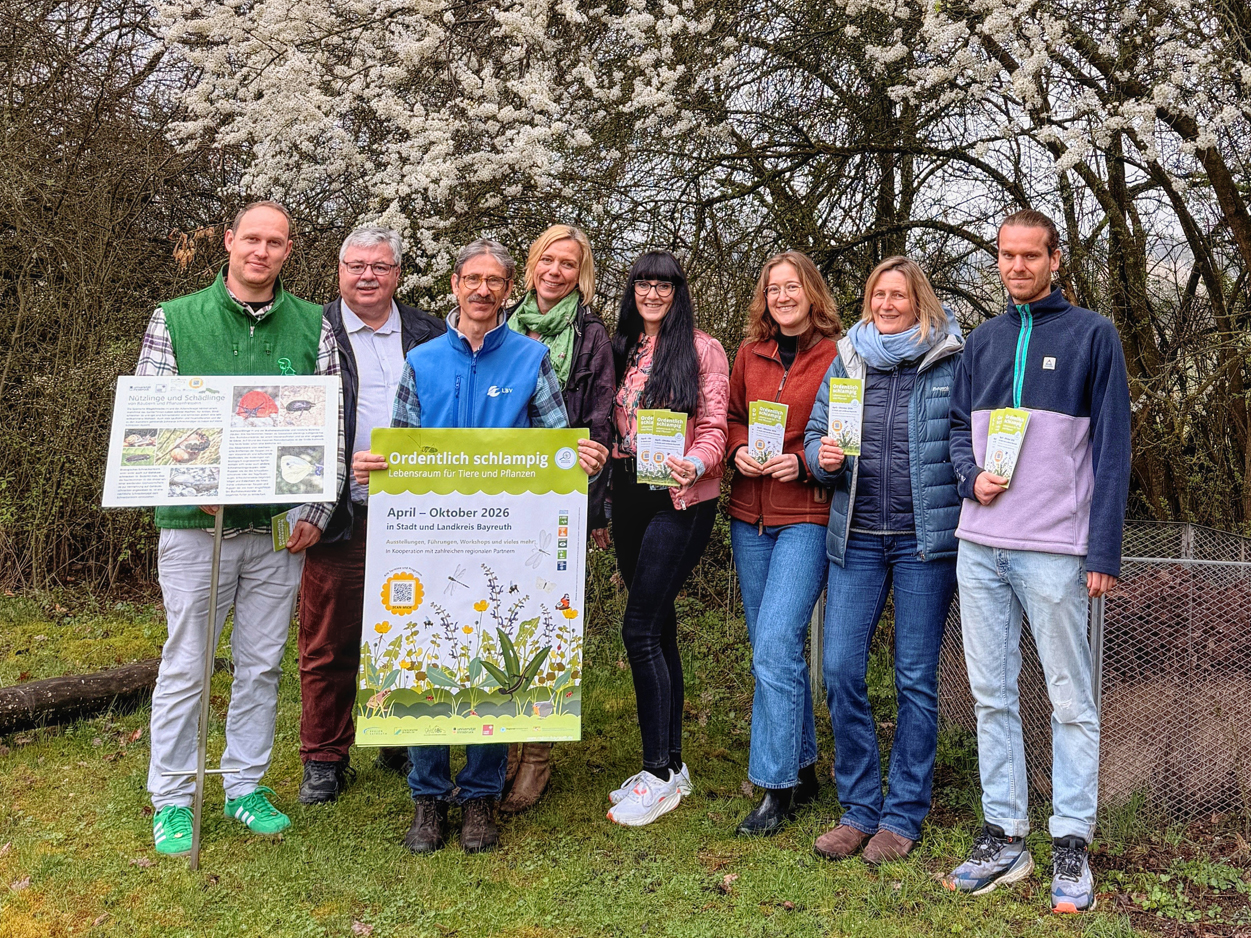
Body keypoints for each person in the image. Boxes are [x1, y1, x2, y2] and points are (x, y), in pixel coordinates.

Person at [351, 239, 607, 854]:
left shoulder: (532, 358)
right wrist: (372, 477)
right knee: (422, 655)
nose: (484, 290)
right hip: (429, 539)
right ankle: (427, 795)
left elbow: (555, 448)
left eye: (496, 281)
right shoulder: (422, 361)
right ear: (454, 284)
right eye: (474, 279)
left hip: (507, 539)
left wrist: (583, 460)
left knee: (496, 654)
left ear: (507, 288)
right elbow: (401, 449)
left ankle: (481, 796)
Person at [137, 201, 344, 855]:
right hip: (195, 531)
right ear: (228, 242)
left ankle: (244, 786)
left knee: (260, 666)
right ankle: (172, 798)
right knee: (186, 666)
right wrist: (192, 484)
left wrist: (316, 512)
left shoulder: (315, 324)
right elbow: (150, 418)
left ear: (288, 251)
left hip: (277, 532)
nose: (261, 250)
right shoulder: (175, 318)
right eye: (250, 238)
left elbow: (330, 429)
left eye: (274, 242)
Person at [943, 210, 1131, 913]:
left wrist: (1102, 549)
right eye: (1005, 255)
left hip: (1055, 550)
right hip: (980, 543)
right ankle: (1005, 835)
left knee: (1068, 699)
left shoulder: (1092, 335)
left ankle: (1071, 842)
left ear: (1055, 259)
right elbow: (956, 431)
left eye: (1030, 256)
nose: (1016, 266)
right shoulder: (982, 341)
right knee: (989, 693)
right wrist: (969, 481)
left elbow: (1113, 450)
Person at [803, 257, 964, 863]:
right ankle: (858, 808)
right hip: (858, 537)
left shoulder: (950, 358)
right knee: (841, 669)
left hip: (926, 543)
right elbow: (818, 446)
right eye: (879, 295)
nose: (888, 304)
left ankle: (901, 815)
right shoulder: (849, 360)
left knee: (915, 678)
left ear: (918, 300)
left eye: (899, 295)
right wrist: (824, 459)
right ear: (868, 301)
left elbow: (965, 439)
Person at [296, 226, 446, 804]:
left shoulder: (431, 331)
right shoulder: (314, 330)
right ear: (338, 270)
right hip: (341, 513)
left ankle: (400, 735)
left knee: (414, 632)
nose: (366, 276)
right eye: (355, 265)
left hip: (418, 513)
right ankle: (325, 757)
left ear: (398, 275)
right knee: (329, 641)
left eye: (379, 267)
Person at [603, 251, 729, 827]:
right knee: (661, 626)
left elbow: (714, 426)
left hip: (678, 497)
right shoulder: (622, 345)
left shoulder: (703, 349)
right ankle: (672, 765)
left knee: (639, 628)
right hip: (629, 492)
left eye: (664, 285)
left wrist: (698, 463)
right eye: (643, 284)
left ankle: (656, 773)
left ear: (679, 292)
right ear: (631, 291)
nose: (652, 293)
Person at [499, 224, 615, 814]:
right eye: (548, 258)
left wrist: (592, 502)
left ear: (581, 274)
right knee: (495, 612)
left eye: (569, 264)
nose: (556, 271)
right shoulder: (502, 320)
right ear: (532, 263)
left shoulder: (591, 336)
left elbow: (597, 422)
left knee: (544, 620)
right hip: (497, 493)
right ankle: (498, 743)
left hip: (557, 497)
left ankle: (537, 755)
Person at [725, 251, 841, 835]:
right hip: (750, 516)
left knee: (774, 643)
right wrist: (737, 448)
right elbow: (732, 417)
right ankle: (802, 763)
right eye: (773, 289)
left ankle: (775, 786)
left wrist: (803, 463)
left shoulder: (840, 355)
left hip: (806, 516)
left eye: (792, 287)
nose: (782, 297)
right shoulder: (750, 353)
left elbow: (844, 437)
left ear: (811, 292)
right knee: (771, 649)